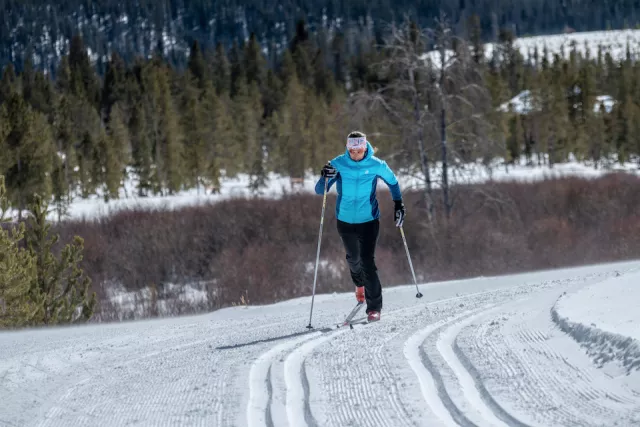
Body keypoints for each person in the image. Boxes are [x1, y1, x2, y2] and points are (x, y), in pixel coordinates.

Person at [314, 131, 405, 322]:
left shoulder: (376, 164)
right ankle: (359, 285)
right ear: (348, 148)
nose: (356, 154)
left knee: (367, 262)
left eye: (359, 150)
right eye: (352, 150)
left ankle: (374, 308)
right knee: (353, 259)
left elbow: (393, 183)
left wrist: (398, 204)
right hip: (345, 221)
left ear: (365, 147)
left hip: (369, 221)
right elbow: (318, 190)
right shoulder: (338, 164)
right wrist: (324, 177)